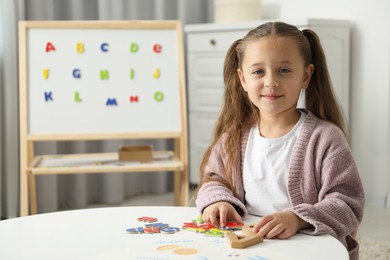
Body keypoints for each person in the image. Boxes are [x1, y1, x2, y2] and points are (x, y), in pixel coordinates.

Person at [195, 21, 364, 259]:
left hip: (308, 248)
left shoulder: (326, 138)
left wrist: (298, 219)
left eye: (284, 70)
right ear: (243, 79)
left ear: (306, 75)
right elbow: (214, 180)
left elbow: (348, 204)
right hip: (253, 248)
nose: (271, 81)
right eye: (258, 72)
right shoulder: (232, 136)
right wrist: (217, 202)